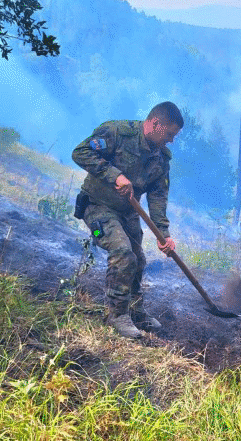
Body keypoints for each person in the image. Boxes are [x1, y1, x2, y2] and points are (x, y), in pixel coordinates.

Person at [72, 101, 183, 339]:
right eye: (170, 134)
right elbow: (80, 152)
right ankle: (117, 314)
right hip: (97, 207)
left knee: (138, 260)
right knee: (123, 253)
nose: (171, 140)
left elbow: (158, 197)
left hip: (128, 213)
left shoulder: (161, 158)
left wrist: (164, 234)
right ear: (155, 123)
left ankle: (134, 311)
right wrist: (115, 175)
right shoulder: (117, 132)